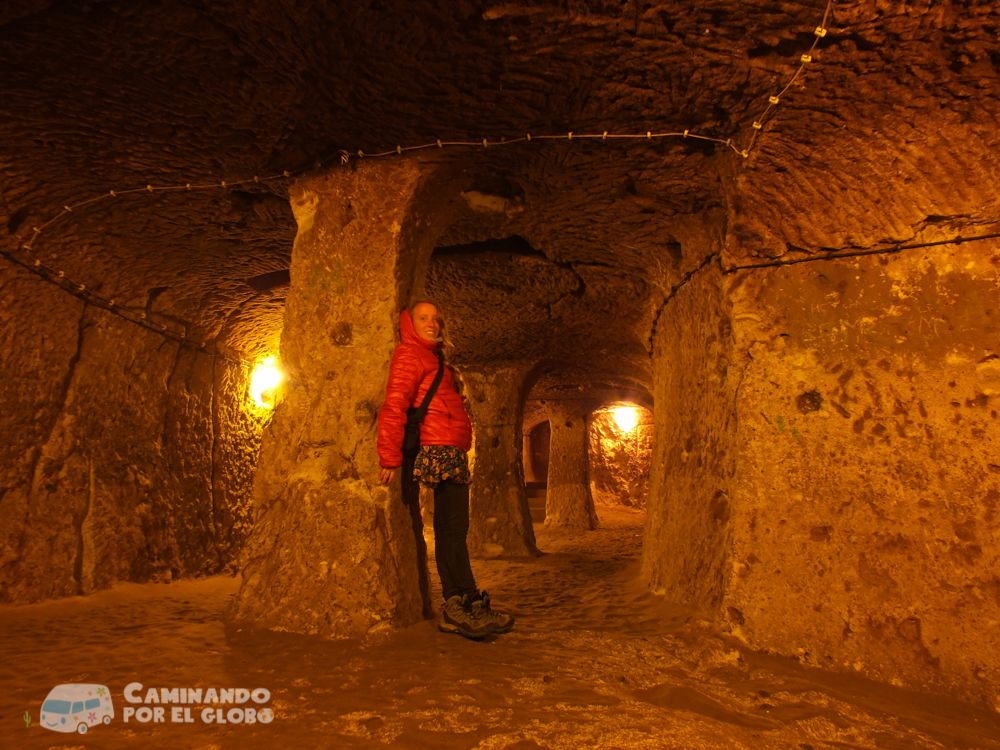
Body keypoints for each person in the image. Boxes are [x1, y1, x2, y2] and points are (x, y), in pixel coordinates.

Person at [377, 299, 514, 639]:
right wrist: (389, 456)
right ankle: (458, 604)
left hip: (449, 450)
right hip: (438, 449)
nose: (432, 324)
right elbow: (394, 404)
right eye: (423, 318)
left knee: (453, 530)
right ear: (408, 323)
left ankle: (466, 601)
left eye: (436, 319)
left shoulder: (433, 358)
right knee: (453, 531)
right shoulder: (410, 355)